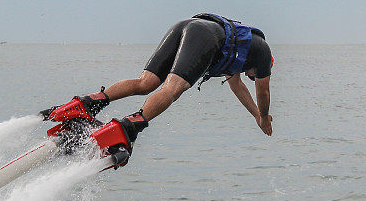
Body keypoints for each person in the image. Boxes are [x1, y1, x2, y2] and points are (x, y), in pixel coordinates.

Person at [42, 13, 273, 152]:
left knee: (146, 82)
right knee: (173, 88)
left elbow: (237, 86)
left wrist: (255, 116)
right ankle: (129, 126)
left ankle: (88, 103)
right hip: (204, 37)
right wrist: (264, 116)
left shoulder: (240, 49)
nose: (250, 76)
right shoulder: (261, 52)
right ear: (259, 68)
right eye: (252, 75)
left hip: (185, 25)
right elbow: (262, 91)